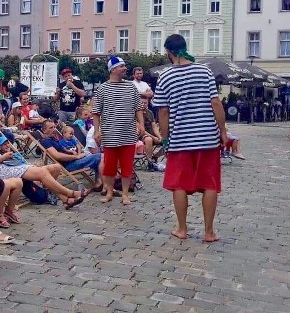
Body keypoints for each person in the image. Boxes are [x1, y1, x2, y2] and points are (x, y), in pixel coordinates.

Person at [154, 34, 227, 243]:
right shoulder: (204, 71)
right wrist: (222, 131)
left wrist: (165, 140)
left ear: (168, 52)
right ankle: (209, 232)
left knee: (179, 185)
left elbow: (163, 113)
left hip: (180, 140)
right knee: (210, 184)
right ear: (185, 48)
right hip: (207, 138)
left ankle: (182, 229)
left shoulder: (165, 76)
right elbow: (215, 103)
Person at [0, 124, 87, 208]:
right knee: (43, 173)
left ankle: (64, 199)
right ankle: (70, 194)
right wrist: (2, 157)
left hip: (6, 167)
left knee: (54, 167)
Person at [92, 56, 144, 205]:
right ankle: (109, 192)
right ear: (113, 69)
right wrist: (97, 131)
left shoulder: (130, 87)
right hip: (109, 133)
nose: (125, 69)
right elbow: (96, 112)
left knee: (127, 165)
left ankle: (125, 195)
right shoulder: (103, 88)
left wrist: (141, 124)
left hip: (128, 132)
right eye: (122, 66)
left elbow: (138, 107)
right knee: (109, 166)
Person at [38, 119, 102, 192]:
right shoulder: (46, 142)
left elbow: (65, 149)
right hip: (69, 165)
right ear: (44, 130)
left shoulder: (54, 139)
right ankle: (101, 182)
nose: (54, 129)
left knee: (98, 157)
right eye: (51, 128)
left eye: (54, 127)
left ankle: (99, 182)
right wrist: (76, 156)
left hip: (75, 160)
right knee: (98, 156)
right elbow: (57, 156)